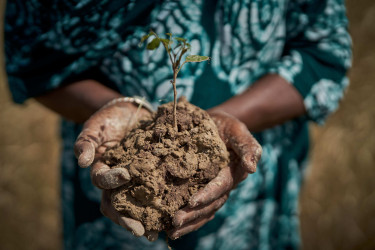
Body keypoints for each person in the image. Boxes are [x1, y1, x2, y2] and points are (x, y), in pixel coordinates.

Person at [4, 0, 352, 249]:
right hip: (109, 168)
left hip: (254, 198)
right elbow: (30, 58)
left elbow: (323, 54)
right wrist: (117, 108)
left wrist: (213, 129)